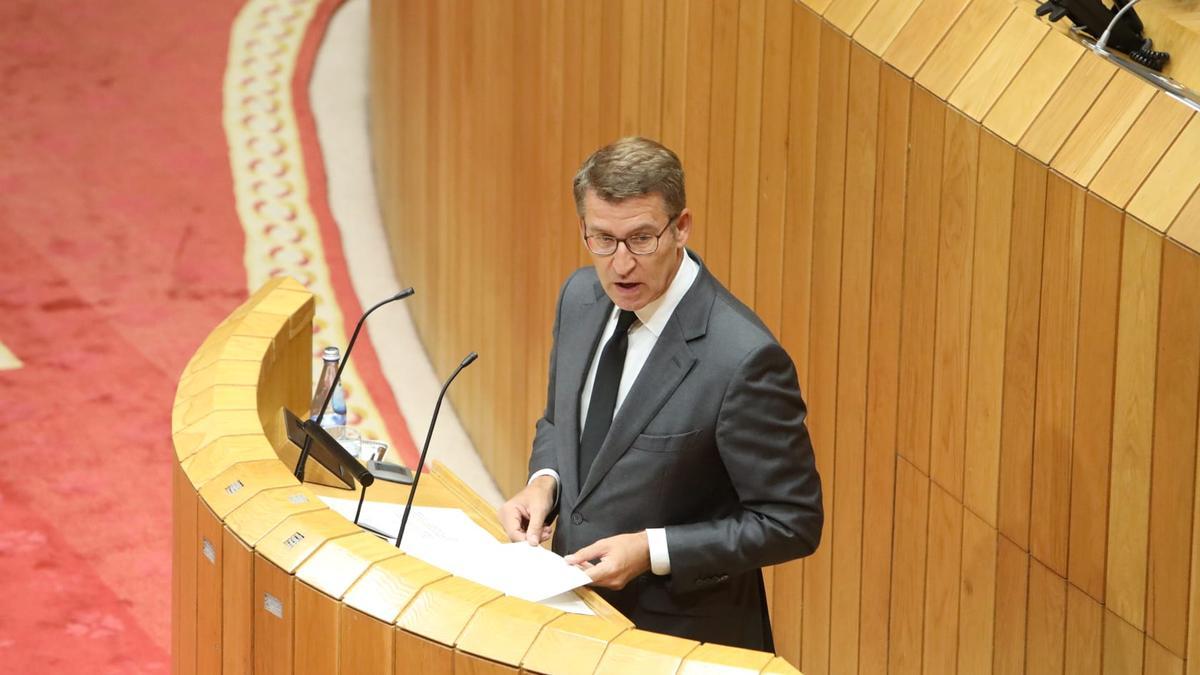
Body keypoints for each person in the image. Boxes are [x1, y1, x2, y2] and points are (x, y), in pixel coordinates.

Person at [498, 136, 823, 651]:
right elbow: (564, 422)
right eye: (602, 239)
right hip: (573, 620)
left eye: (642, 239)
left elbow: (791, 522)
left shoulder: (742, 359)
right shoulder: (580, 297)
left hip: (678, 639)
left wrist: (652, 550)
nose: (621, 264)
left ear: (681, 228)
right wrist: (545, 481)